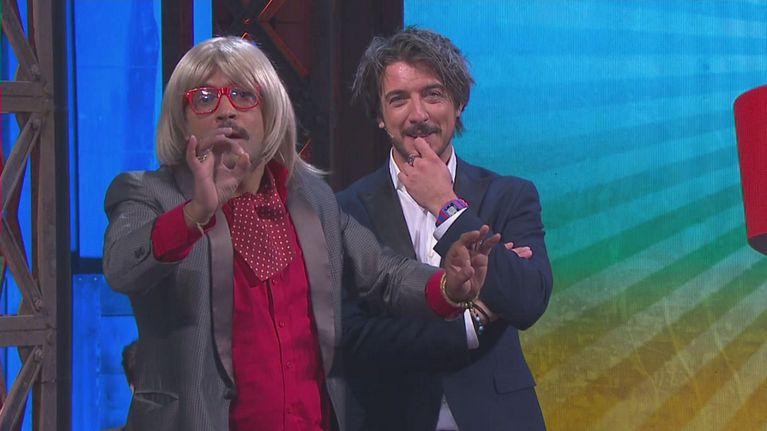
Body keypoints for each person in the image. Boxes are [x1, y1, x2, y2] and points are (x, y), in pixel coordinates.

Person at [102, 36, 499, 431]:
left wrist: (448, 286)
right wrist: (194, 215)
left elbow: (383, 273)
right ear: (181, 119)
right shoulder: (148, 193)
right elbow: (121, 268)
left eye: (243, 95)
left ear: (270, 111)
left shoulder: (310, 199)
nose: (225, 111)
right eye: (205, 99)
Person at [336, 27, 553, 430]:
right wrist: (473, 321)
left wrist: (446, 206)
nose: (418, 114)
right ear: (380, 116)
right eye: (399, 99)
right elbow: (354, 336)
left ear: (459, 103)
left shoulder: (509, 196)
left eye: (432, 95)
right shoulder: (344, 210)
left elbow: (526, 300)